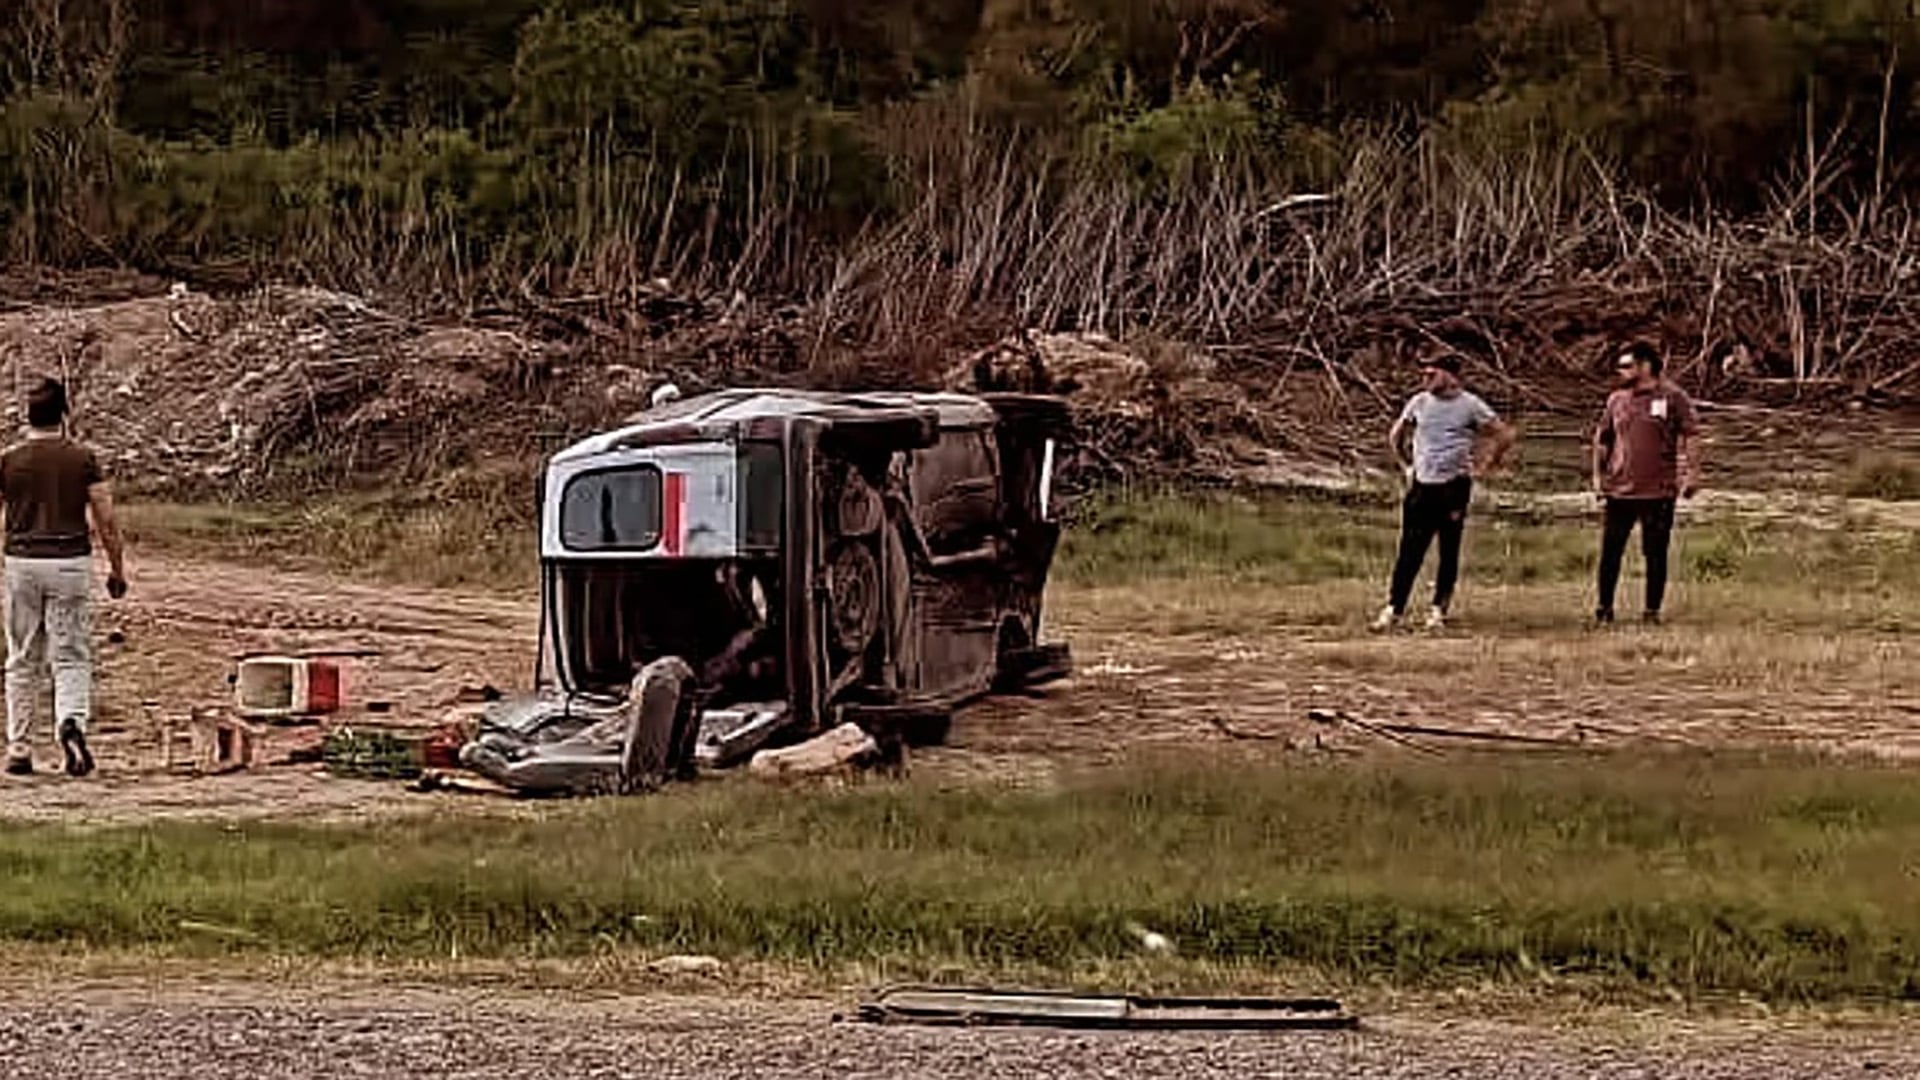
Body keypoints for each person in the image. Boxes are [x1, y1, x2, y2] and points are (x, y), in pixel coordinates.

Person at [0, 378, 127, 777]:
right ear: (64, 414)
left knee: (22, 656)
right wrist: (117, 569)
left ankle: (19, 748)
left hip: (21, 563)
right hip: (71, 563)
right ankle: (70, 722)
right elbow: (105, 518)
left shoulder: (9, 459)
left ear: (27, 416)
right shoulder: (83, 458)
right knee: (70, 654)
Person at [1373, 351, 1517, 632]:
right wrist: (1406, 464)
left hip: (1453, 486)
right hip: (1421, 485)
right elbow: (1396, 434)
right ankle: (1394, 608)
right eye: (1424, 374)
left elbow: (1504, 434)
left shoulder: (1470, 405)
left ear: (1450, 376)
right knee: (1409, 549)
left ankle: (1438, 609)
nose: (1425, 379)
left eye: (1432, 374)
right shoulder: (1419, 401)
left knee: (1448, 549)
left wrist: (1487, 464)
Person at [1592, 341, 1700, 625]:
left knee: (1655, 553)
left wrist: (1692, 474)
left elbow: (1690, 435)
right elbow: (1603, 439)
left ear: (1645, 365)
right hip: (1619, 489)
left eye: (1627, 366)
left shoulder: (1674, 397)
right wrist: (1596, 476)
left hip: (1658, 490)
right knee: (1610, 552)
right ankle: (1604, 609)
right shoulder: (1616, 399)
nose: (1621, 371)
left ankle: (1651, 611)